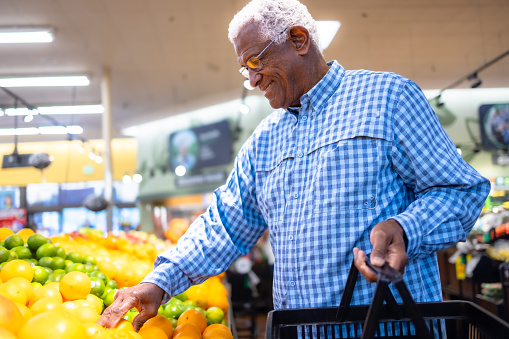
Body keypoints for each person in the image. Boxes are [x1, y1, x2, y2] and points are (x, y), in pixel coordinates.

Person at [98, 0, 490, 332]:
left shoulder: (389, 98)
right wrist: (159, 281)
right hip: (297, 332)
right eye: (244, 68)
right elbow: (224, 224)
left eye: (255, 61)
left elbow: (460, 190)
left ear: (298, 40)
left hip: (388, 326)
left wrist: (406, 229)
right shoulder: (263, 142)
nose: (251, 79)